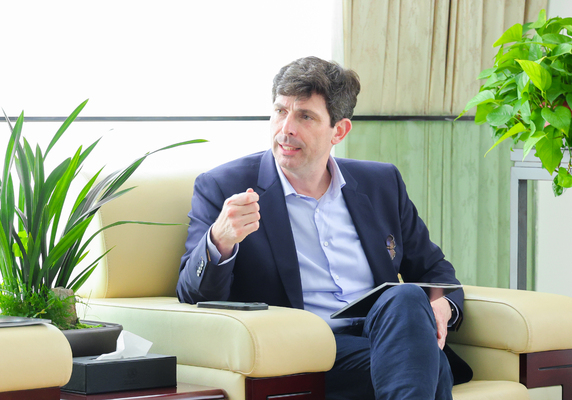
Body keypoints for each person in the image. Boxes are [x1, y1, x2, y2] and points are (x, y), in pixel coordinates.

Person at [177, 56, 472, 399]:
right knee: (427, 363)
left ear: (339, 131)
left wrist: (442, 305)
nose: (286, 128)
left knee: (406, 296)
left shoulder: (381, 183)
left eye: (305, 116)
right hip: (306, 349)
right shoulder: (224, 186)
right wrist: (220, 240)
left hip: (384, 334)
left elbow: (434, 269)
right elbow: (192, 296)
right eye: (280, 111)